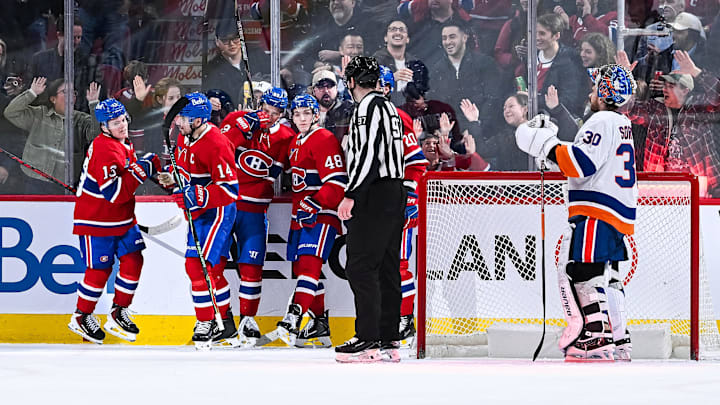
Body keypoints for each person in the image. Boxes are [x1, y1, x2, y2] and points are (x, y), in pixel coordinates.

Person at [514, 63, 637, 361]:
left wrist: (548, 145)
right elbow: (592, 164)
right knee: (608, 276)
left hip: (597, 208)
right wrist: (558, 153)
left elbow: (582, 164)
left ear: (605, 92)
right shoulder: (621, 122)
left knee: (585, 273)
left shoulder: (600, 121)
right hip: (617, 209)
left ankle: (595, 339)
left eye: (596, 87)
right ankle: (618, 338)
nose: (591, 92)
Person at [68, 99, 161, 344]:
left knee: (134, 259)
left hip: (123, 219)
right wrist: (144, 169)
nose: (122, 125)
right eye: (115, 122)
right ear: (103, 126)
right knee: (99, 270)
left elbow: (127, 179)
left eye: (123, 120)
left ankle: (119, 310)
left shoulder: (122, 143)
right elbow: (116, 194)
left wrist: (151, 171)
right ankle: (81, 316)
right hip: (96, 220)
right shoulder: (104, 148)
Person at [336, 56, 406, 363]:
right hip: (395, 190)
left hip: (374, 192)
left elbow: (365, 155)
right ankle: (389, 336)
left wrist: (351, 194)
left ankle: (367, 339)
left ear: (351, 82)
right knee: (387, 265)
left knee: (361, 265)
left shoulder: (366, 108)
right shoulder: (389, 105)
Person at [157, 93, 239, 350]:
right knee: (209, 271)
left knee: (197, 267)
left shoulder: (217, 143)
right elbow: (182, 167)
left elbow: (230, 189)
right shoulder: (184, 135)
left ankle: (206, 322)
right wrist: (172, 178)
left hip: (218, 212)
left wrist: (197, 194)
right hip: (198, 212)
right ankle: (225, 324)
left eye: (184, 118)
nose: (179, 122)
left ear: (199, 120)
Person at [218, 87, 295, 347]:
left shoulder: (285, 136)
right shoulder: (237, 119)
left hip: (256, 209)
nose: (270, 116)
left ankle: (248, 320)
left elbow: (274, 175)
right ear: (259, 104)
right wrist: (243, 128)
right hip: (226, 204)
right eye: (266, 111)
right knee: (214, 263)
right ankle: (223, 319)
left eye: (276, 113)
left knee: (252, 266)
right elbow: (219, 149)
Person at [268, 94, 347, 348]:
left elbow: (337, 182)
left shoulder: (324, 139)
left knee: (310, 266)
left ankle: (293, 318)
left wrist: (315, 203)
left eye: (306, 113)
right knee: (301, 269)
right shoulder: (294, 142)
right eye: (297, 113)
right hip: (299, 216)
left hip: (321, 214)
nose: (301, 118)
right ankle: (319, 323)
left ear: (316, 115)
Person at [379, 66, 428, 347]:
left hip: (397, 199)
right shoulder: (361, 118)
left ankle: (405, 319)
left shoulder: (398, 118)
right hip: (376, 202)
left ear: (387, 88)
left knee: (398, 264)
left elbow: (417, 163)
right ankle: (388, 317)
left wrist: (410, 196)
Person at [626, 51, 720, 197]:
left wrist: (696, 72)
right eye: (664, 85)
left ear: (685, 90)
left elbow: (717, 96)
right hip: (661, 188)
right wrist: (622, 78)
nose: (664, 89)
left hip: (697, 188)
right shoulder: (656, 108)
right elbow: (627, 108)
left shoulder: (698, 107)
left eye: (671, 85)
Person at [3, 78, 101, 194]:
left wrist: (94, 104)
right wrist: (32, 93)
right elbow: (11, 113)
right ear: (53, 99)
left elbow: (96, 136)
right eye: (65, 92)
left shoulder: (82, 120)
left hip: (63, 185)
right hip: (32, 180)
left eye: (73, 93)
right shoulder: (40, 114)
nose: (71, 96)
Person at [202, 21, 249, 110]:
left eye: (235, 38)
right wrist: (210, 101)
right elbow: (206, 94)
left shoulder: (257, 58)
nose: (231, 44)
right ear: (217, 41)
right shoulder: (212, 68)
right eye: (225, 40)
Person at [310, 69, 355, 143]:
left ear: (336, 89)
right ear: (314, 91)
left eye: (330, 86)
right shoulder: (307, 114)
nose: (326, 90)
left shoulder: (348, 109)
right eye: (321, 87)